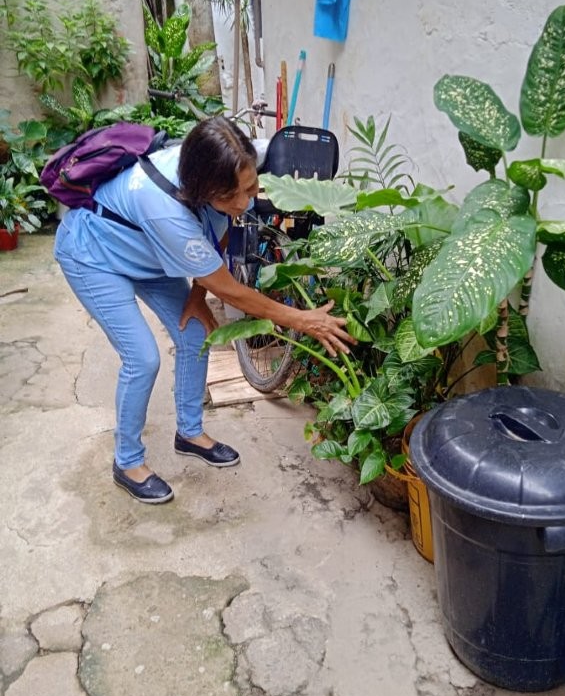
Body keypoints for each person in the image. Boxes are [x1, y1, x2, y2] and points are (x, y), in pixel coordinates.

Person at [54, 116, 353, 505]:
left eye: (251, 188)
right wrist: (303, 319)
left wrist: (197, 296)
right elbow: (231, 291)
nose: (245, 202)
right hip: (93, 256)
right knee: (142, 359)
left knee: (195, 332)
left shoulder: (235, 164)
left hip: (148, 254)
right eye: (232, 196)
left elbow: (220, 228)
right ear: (200, 188)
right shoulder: (164, 209)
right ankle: (127, 462)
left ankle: (189, 433)